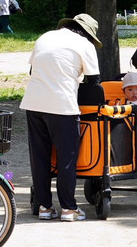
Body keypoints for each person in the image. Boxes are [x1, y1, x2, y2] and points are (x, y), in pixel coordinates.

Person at [21, 13, 102, 222]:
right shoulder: (85, 44)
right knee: (67, 159)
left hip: (34, 103)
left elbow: (32, 70)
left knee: (40, 158)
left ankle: (44, 207)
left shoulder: (45, 37)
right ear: (88, 33)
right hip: (63, 105)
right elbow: (94, 82)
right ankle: (69, 208)